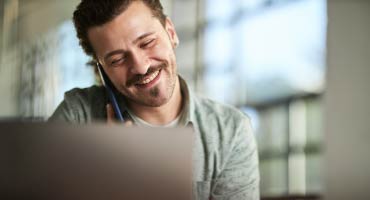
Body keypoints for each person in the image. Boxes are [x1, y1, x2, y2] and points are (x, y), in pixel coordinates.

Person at [50, 0, 260, 199]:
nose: (140, 66)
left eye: (147, 43)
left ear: (171, 33)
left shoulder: (230, 131)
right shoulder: (78, 117)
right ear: (101, 71)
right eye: (117, 60)